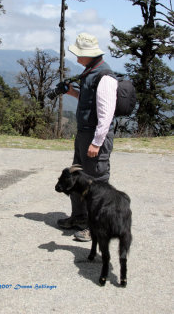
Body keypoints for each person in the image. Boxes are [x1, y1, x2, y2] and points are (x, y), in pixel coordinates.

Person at [57, 33, 118, 241]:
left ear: (89, 54)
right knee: (77, 177)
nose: (76, 58)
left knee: (96, 183)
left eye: (78, 54)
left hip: (95, 137)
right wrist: (72, 93)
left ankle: (96, 227)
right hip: (84, 134)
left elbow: (106, 113)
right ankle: (80, 218)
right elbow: (89, 100)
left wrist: (97, 142)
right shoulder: (90, 72)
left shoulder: (105, 77)